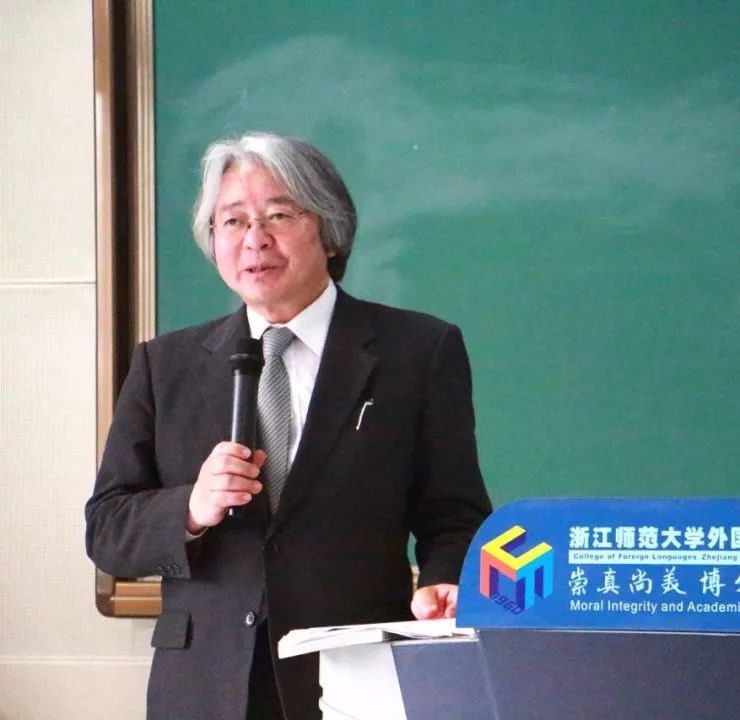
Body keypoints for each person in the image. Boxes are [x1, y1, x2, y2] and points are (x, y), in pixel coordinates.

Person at [85, 132, 492, 720]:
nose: (255, 240)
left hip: (354, 674)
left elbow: (454, 514)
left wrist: (445, 581)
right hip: (204, 686)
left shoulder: (417, 350)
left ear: (329, 230)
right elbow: (107, 529)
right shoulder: (164, 364)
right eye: (232, 221)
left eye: (278, 215)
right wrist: (191, 508)